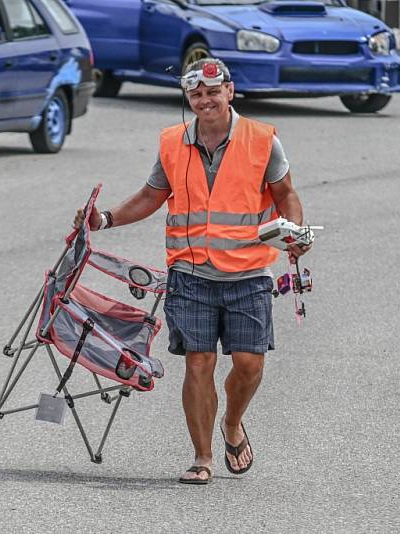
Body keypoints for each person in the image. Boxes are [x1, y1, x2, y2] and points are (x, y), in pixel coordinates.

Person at [73, 58, 310, 484]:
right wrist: (103, 219)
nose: (205, 101)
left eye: (212, 92)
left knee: (248, 365)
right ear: (189, 99)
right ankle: (202, 458)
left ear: (230, 93)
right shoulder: (172, 143)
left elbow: (286, 194)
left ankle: (232, 423)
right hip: (191, 273)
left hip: (249, 274)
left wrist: (294, 232)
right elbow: (151, 196)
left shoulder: (262, 140)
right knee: (198, 363)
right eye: (196, 95)